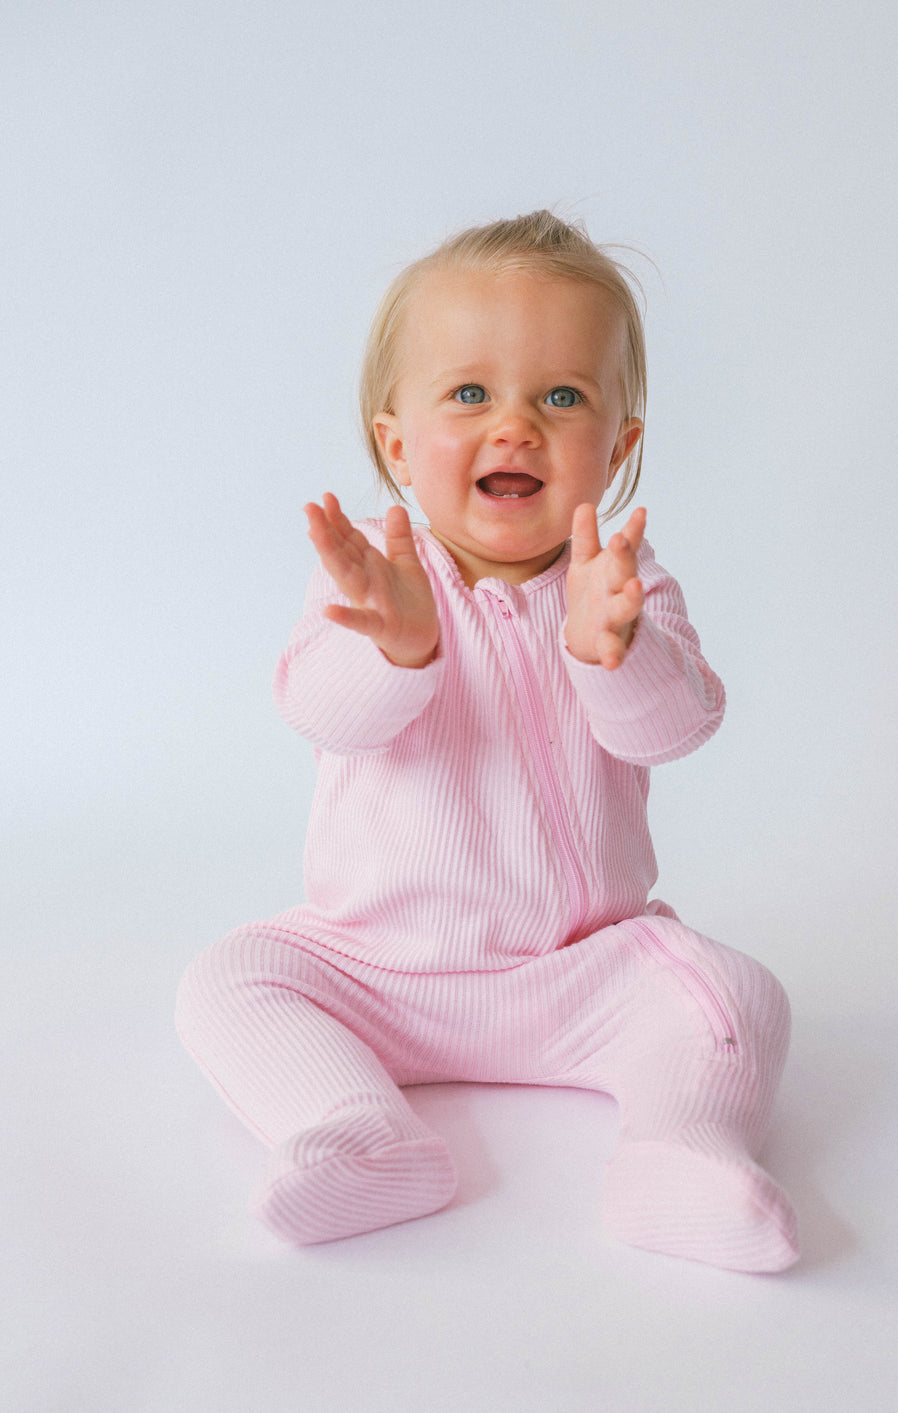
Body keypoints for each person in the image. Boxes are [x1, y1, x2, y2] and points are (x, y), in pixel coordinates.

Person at [176, 211, 799, 1273]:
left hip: (578, 972)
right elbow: (319, 711)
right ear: (396, 443)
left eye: (562, 397)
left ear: (619, 445)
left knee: (735, 995)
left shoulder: (624, 588)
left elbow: (677, 727)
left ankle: (679, 1153)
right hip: (379, 966)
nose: (515, 426)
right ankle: (356, 1133)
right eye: (469, 394)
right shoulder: (372, 582)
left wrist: (614, 650)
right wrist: (399, 646)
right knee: (232, 977)